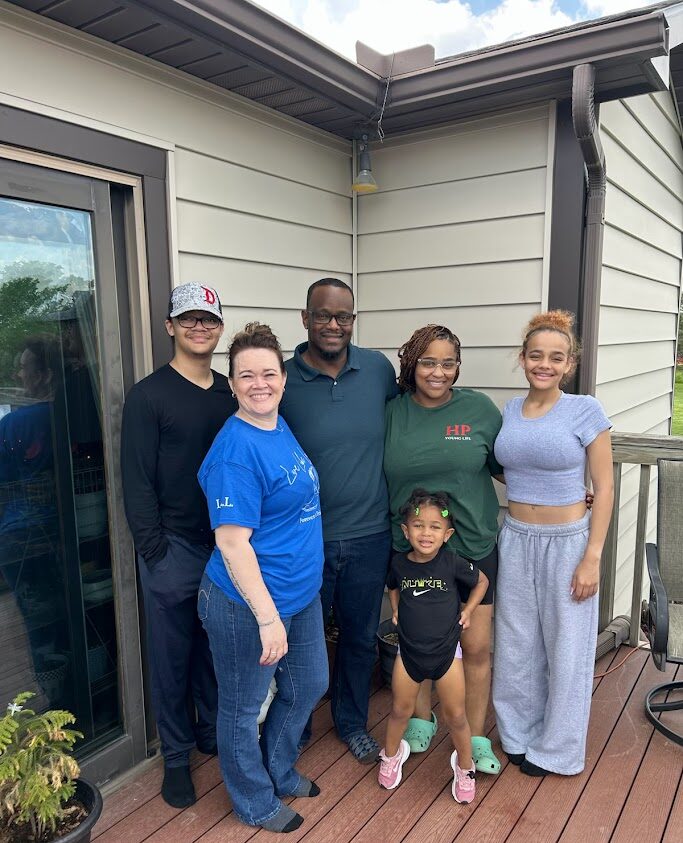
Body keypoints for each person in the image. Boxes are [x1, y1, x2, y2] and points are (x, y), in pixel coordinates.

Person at [197, 322, 328, 834]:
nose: (259, 383)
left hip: (299, 593)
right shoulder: (236, 451)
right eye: (246, 375)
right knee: (241, 707)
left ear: (282, 378)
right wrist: (267, 618)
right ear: (230, 383)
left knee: (309, 681)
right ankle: (253, 800)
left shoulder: (275, 424)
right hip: (246, 604)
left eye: (268, 373)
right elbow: (232, 543)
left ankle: (277, 766)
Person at [121, 283, 235, 808]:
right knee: (171, 657)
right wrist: (155, 553)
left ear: (219, 328)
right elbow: (137, 482)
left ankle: (210, 731)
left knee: (213, 648)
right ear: (170, 326)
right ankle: (175, 757)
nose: (199, 328)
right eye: (188, 319)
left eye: (208, 320)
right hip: (172, 547)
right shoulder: (149, 395)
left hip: (224, 545)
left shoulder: (228, 393)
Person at [279, 278, 398, 763]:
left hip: (370, 534)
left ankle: (350, 722)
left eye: (343, 316)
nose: (334, 325)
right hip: (305, 540)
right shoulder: (281, 380)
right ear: (305, 318)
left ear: (353, 320)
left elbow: (409, 430)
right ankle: (298, 726)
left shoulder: (377, 370)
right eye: (324, 315)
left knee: (358, 637)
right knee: (300, 641)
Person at [492, 310, 613, 776]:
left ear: (570, 363)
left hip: (568, 543)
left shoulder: (585, 410)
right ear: (523, 359)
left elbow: (603, 487)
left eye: (556, 357)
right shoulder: (509, 411)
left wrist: (593, 557)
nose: (545, 364)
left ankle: (558, 750)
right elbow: (514, 468)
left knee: (566, 648)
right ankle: (518, 735)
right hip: (516, 538)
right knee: (517, 644)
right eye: (536, 355)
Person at [383, 325, 504, 774]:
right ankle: (421, 716)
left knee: (473, 647)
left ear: (458, 366)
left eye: (447, 362)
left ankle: (474, 735)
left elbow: (511, 467)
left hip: (471, 544)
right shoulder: (392, 413)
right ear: (411, 364)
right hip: (410, 550)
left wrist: (568, 490)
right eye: (427, 362)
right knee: (416, 638)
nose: (437, 372)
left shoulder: (479, 410)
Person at [378, 489, 488, 803]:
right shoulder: (400, 564)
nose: (426, 533)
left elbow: (482, 582)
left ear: (447, 534)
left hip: (447, 656)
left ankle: (465, 767)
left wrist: (468, 610)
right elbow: (393, 586)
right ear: (405, 530)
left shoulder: (452, 563)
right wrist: (396, 608)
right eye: (418, 525)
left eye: (435, 527)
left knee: (456, 716)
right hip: (408, 655)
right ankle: (391, 755)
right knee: (399, 710)